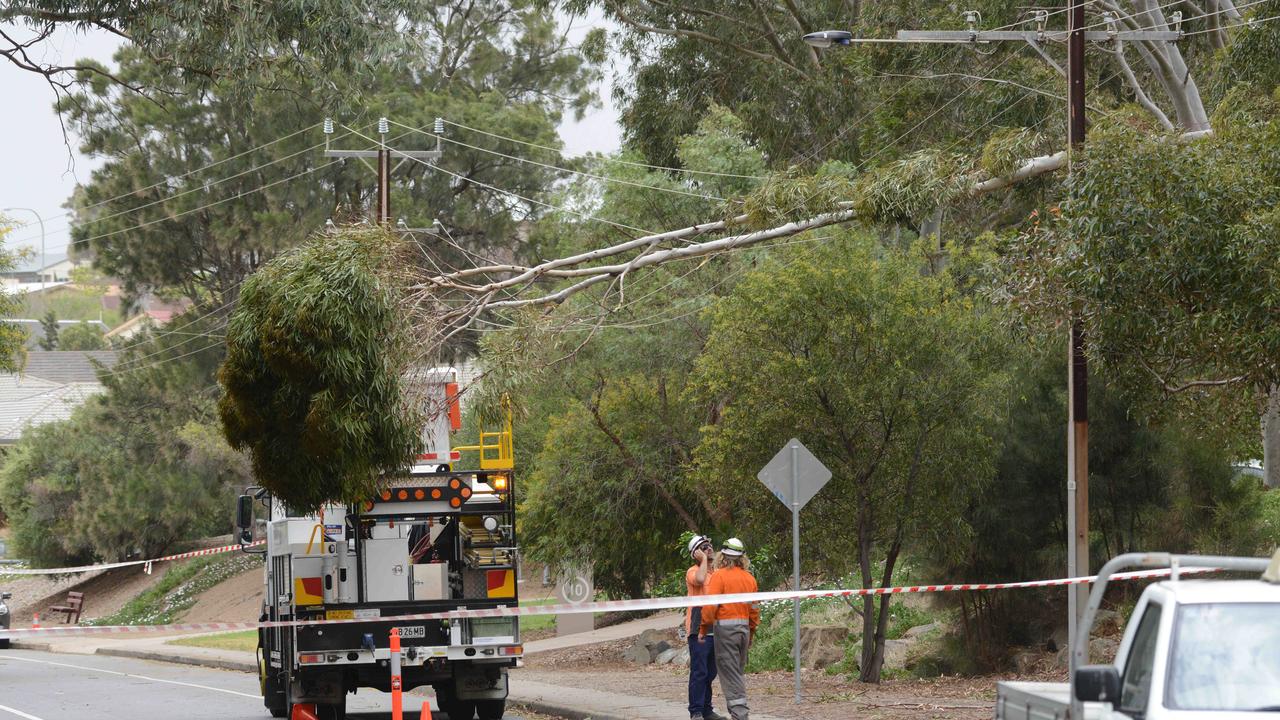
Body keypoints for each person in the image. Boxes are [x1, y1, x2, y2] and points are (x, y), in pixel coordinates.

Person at [698, 538, 759, 720]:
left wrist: (703, 628)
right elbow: (754, 610)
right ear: (742, 558)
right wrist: (751, 633)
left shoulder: (719, 576)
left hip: (726, 632)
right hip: (743, 631)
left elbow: (710, 607)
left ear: (722, 556)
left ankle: (740, 715)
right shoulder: (750, 578)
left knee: (730, 674)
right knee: (737, 673)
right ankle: (739, 713)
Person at [685, 535, 727, 720]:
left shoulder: (717, 573)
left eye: (709, 545)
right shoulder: (693, 571)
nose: (709, 548)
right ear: (696, 553)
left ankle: (707, 709)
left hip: (716, 628)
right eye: (703, 547)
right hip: (698, 628)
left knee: (711, 672)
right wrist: (702, 561)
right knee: (699, 671)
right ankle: (696, 711)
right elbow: (700, 579)